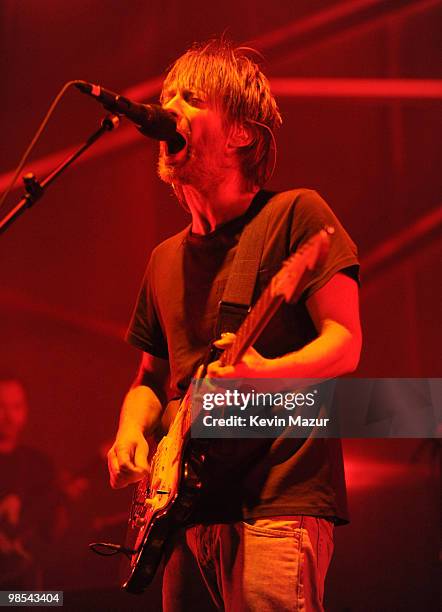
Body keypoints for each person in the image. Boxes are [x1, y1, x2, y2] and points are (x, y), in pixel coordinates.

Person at [107, 38, 362, 611]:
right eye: (167, 95)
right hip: (182, 515)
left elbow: (345, 345)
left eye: (191, 98)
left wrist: (266, 374)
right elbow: (150, 381)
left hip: (276, 500)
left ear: (241, 133)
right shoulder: (163, 260)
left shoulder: (297, 215)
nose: (170, 107)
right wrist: (130, 433)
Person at [0, 374, 61, 589]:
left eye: (16, 406)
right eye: (1, 406)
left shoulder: (39, 465)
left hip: (22, 584)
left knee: (51, 601)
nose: (8, 416)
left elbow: (50, 531)